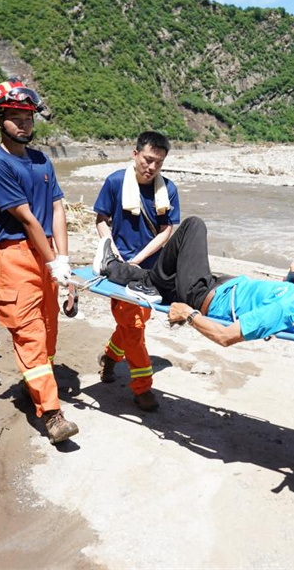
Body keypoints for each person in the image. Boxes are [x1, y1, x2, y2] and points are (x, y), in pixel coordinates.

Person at [0, 78, 78, 444]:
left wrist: (62, 259)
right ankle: (52, 414)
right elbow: (27, 219)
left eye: (28, 117)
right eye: (15, 118)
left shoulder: (41, 160)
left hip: (46, 251)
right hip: (16, 256)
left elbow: (56, 209)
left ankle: (35, 383)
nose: (23, 124)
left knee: (49, 328)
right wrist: (54, 263)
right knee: (30, 332)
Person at [93, 216, 294, 351]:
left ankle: (139, 278)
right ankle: (111, 267)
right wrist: (293, 279)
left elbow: (225, 337)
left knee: (193, 225)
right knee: (159, 278)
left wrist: (188, 315)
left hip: (201, 295)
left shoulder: (286, 308)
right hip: (213, 286)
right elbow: (273, 298)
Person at [92, 131, 180, 412]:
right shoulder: (116, 182)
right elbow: (101, 219)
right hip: (119, 269)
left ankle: (110, 357)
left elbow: (166, 230)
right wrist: (112, 250)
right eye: (148, 159)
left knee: (133, 323)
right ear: (135, 154)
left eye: (159, 163)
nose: (152, 167)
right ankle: (142, 387)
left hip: (150, 271)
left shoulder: (168, 189)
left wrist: (139, 259)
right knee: (134, 326)